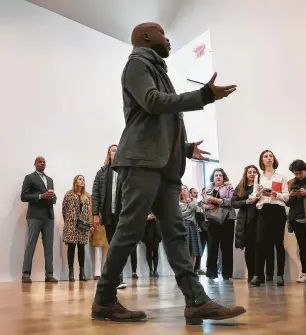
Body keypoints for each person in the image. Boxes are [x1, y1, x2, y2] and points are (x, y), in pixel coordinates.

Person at [91, 22, 245, 324]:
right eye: (163, 33)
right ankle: (104, 300)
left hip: (161, 165)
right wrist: (203, 96)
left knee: (174, 233)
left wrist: (185, 149)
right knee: (129, 230)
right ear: (146, 37)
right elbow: (151, 103)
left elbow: (157, 124)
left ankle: (196, 301)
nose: (168, 38)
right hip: (141, 163)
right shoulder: (136, 64)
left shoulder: (156, 68)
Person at [92, 144, 137, 289]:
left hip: (122, 215)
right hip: (107, 215)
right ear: (109, 154)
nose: (115, 152)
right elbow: (96, 194)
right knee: (112, 246)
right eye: (113, 150)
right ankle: (113, 278)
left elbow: (131, 193)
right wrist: (95, 214)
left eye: (118, 150)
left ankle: (119, 278)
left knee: (119, 247)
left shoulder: (125, 172)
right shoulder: (102, 172)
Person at [249, 150, 289, 287]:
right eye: (265, 156)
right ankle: (258, 275)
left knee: (278, 243)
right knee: (260, 242)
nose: (268, 158)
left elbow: (286, 197)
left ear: (274, 159)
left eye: (270, 156)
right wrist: (259, 193)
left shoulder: (281, 177)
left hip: (277, 210)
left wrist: (274, 193)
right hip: (263, 210)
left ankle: (280, 275)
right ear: (262, 160)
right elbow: (254, 195)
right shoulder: (258, 178)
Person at [20, 156, 58, 283]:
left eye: (44, 162)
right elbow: (23, 196)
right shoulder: (29, 178)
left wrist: (53, 197)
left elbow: (53, 198)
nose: (42, 163)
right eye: (40, 162)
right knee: (31, 244)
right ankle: (26, 274)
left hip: (49, 216)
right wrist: (41, 196)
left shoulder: (50, 180)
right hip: (35, 216)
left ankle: (49, 274)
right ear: (35, 164)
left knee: (49, 247)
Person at [204, 168, 236, 280]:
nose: (218, 177)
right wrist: (206, 206)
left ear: (223, 178)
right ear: (213, 177)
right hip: (212, 219)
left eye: (220, 175)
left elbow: (231, 201)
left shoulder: (229, 187)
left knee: (226, 247)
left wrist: (217, 201)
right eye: (216, 175)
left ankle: (226, 274)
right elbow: (202, 203)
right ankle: (211, 273)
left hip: (227, 219)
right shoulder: (207, 189)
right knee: (212, 246)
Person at [232, 165, 260, 283]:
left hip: (259, 220)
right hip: (245, 222)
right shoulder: (240, 187)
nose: (252, 174)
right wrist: (245, 202)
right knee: (249, 249)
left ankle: (260, 276)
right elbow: (234, 202)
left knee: (259, 249)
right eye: (250, 172)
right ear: (246, 174)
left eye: (254, 172)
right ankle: (251, 275)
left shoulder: (260, 186)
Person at [62, 175, 91, 282]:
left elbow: (90, 212)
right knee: (71, 248)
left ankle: (82, 273)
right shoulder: (69, 194)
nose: (82, 181)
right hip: (71, 226)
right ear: (75, 181)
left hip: (83, 226)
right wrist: (69, 221)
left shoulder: (87, 196)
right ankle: (71, 272)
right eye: (80, 179)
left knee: (82, 249)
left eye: (83, 179)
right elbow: (64, 209)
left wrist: (89, 224)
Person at [179, 185, 203, 265]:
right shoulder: (178, 202)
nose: (183, 190)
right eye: (181, 189)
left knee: (193, 251)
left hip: (192, 226)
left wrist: (189, 201)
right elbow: (180, 215)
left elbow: (194, 207)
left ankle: (191, 271)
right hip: (183, 226)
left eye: (185, 189)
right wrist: (189, 210)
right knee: (184, 251)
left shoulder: (193, 200)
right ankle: (185, 270)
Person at [191, 188, 207, 275]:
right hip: (201, 230)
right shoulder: (197, 204)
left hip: (210, 230)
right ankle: (196, 268)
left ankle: (206, 268)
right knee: (199, 251)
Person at [142, 212, 162, 278]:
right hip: (147, 229)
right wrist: (146, 217)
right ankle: (150, 269)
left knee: (156, 250)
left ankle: (155, 270)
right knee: (149, 250)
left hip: (157, 230)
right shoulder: (144, 203)